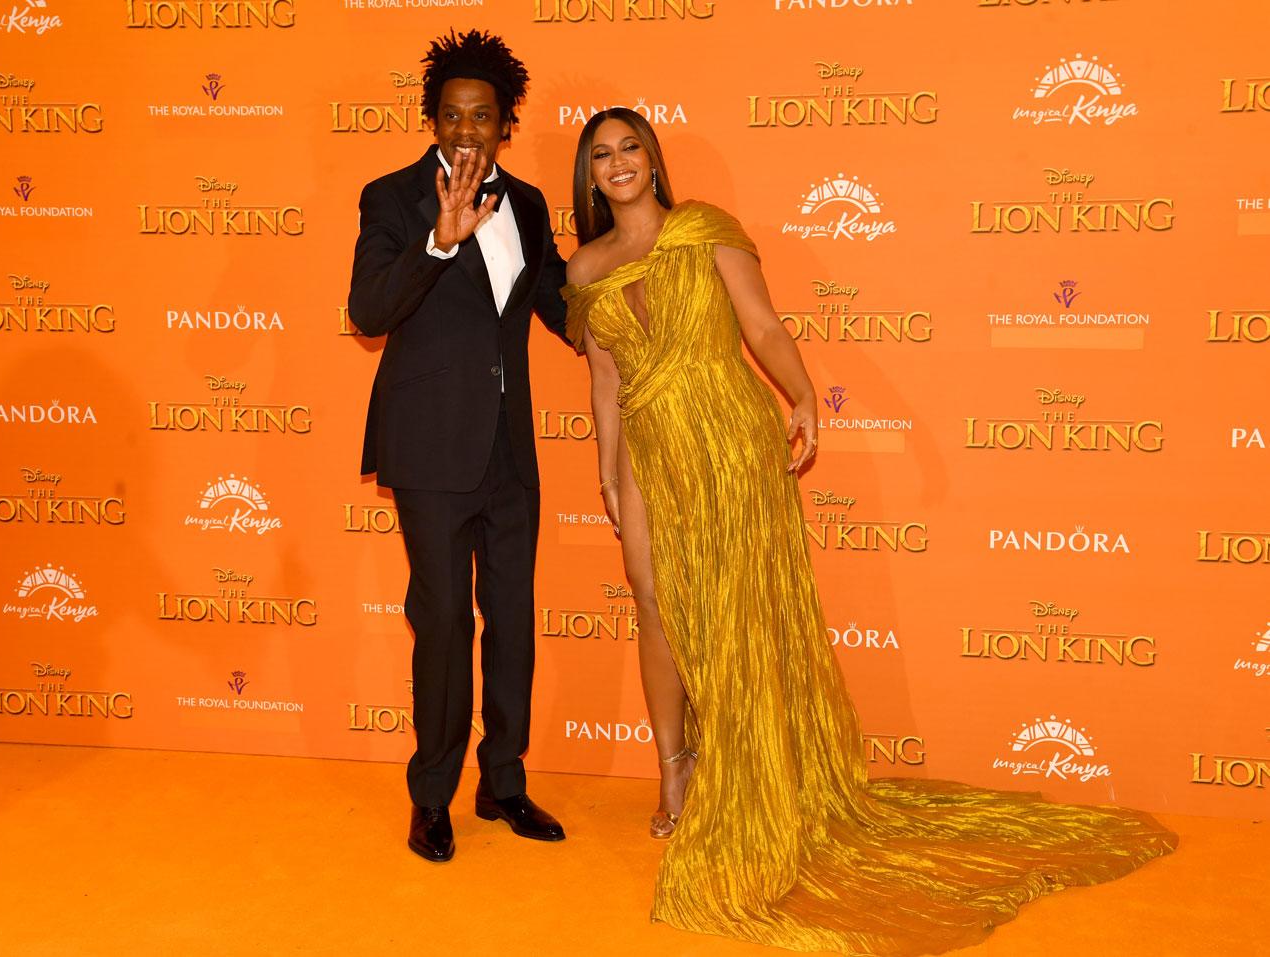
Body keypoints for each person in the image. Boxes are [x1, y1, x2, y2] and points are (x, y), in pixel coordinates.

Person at [562, 107, 1177, 954]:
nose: (619, 162)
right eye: (602, 155)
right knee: (656, 600)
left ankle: (749, 772)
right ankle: (676, 769)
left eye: (631, 147)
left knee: (739, 605)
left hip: (730, 438)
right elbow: (603, 375)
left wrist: (804, 394)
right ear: (589, 176)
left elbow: (764, 325)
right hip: (647, 442)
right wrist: (604, 462)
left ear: (655, 161)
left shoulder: (707, 231)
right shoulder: (586, 264)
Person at [348, 29, 569, 864]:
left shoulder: (535, 205)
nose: (467, 130)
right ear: (431, 120)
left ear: (506, 122)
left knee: (511, 620)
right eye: (451, 115)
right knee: (442, 623)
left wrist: (639, 309)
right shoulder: (393, 198)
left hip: (511, 451)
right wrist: (438, 241)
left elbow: (557, 303)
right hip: (431, 449)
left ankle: (503, 783)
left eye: (483, 115)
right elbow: (368, 310)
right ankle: (431, 795)